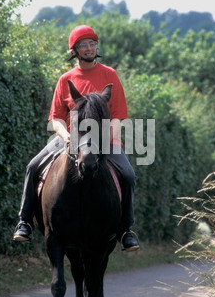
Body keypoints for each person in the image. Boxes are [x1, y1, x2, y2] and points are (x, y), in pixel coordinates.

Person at [13, 25, 139, 252]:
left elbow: (119, 116)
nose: (89, 48)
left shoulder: (110, 74)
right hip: (71, 138)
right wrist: (68, 137)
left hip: (105, 140)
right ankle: (24, 222)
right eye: (84, 45)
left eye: (92, 43)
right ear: (75, 50)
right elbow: (56, 119)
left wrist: (105, 140)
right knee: (33, 166)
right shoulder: (65, 80)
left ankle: (126, 230)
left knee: (128, 175)